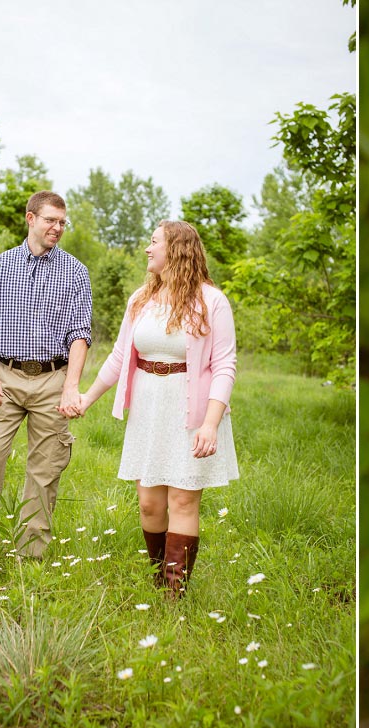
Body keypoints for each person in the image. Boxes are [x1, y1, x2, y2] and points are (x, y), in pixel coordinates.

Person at [78, 220, 238, 597]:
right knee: (150, 505)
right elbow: (120, 357)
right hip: (149, 409)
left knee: (182, 498)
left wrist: (210, 424)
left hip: (191, 411)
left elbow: (224, 366)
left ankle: (173, 593)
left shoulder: (211, 300)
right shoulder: (140, 300)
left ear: (177, 250)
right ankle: (157, 578)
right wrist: (87, 398)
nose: (147, 249)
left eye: (154, 243)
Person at [0, 191, 93, 575]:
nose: (58, 228)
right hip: (5, 378)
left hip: (52, 379)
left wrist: (71, 386)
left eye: (62, 222)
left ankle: (31, 557)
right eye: (50, 220)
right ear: (30, 219)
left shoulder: (75, 272)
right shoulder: (0, 266)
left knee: (45, 470)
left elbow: (80, 335)